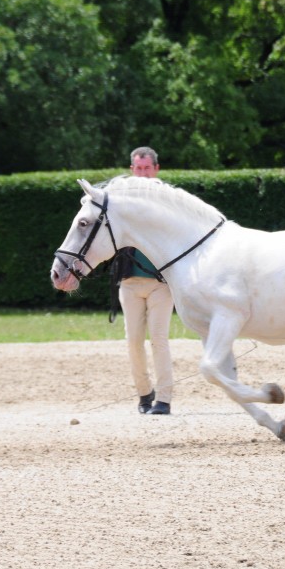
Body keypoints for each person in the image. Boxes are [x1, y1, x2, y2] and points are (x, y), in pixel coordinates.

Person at [114, 147, 175, 415]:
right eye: (138, 169)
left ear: (156, 169)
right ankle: (144, 393)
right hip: (129, 282)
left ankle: (164, 399)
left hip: (161, 283)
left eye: (147, 168)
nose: (142, 173)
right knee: (133, 341)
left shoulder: (168, 199)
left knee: (159, 340)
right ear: (131, 170)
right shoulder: (121, 199)